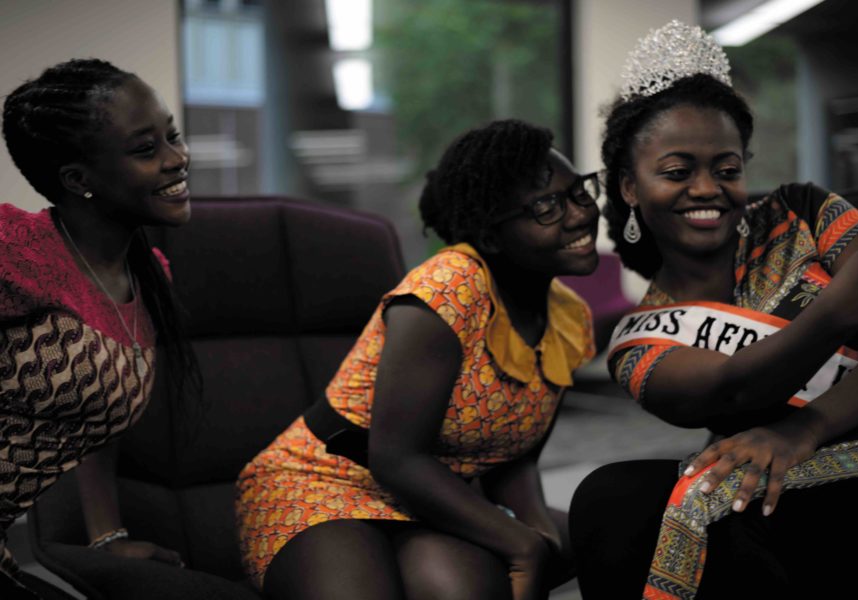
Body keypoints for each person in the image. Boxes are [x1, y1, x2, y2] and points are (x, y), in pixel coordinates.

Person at [568, 21, 858, 600]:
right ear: (629, 187)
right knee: (617, 501)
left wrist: (809, 425)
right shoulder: (640, 341)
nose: (707, 189)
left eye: (727, 170)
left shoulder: (799, 212)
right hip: (789, 480)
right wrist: (847, 302)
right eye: (677, 172)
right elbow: (735, 389)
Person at [236, 119, 599, 600]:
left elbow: (514, 457)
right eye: (547, 206)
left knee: (482, 584)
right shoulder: (450, 287)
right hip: (325, 483)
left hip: (437, 498)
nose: (580, 214)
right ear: (491, 237)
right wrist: (519, 545)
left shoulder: (571, 317)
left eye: (579, 192)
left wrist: (537, 534)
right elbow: (396, 458)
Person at [1, 59, 200, 598]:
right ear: (78, 180)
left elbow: (91, 414)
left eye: (172, 137)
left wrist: (107, 536)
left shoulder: (148, 276)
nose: (177, 158)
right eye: (146, 149)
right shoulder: (15, 253)